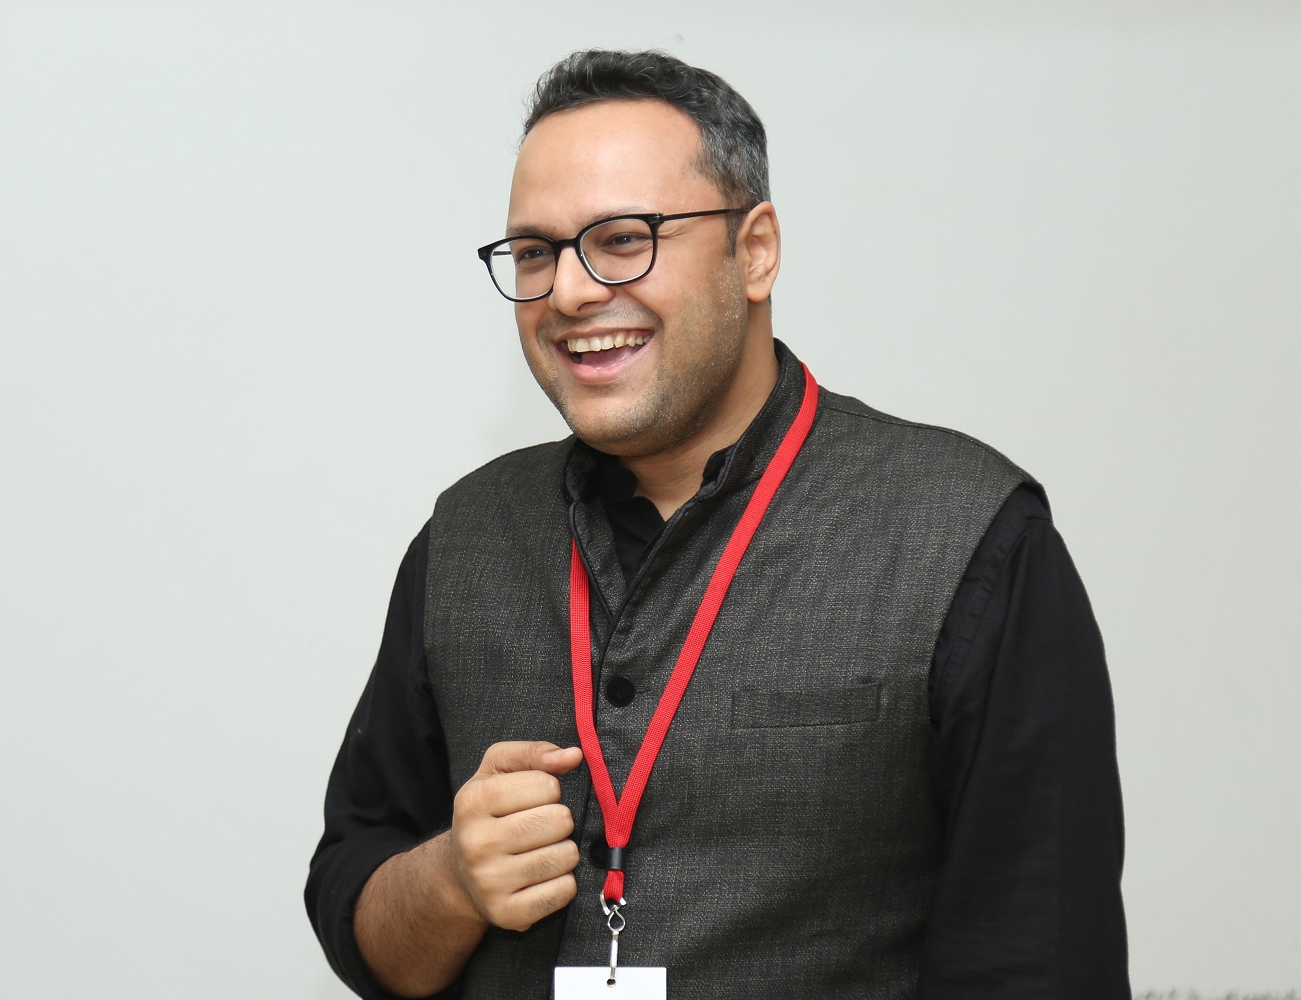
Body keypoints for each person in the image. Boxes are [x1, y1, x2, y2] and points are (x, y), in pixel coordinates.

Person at [306, 49, 1130, 1000]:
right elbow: (355, 903)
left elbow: (1036, 961)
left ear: (755, 251)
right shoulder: (464, 538)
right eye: (535, 252)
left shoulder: (967, 537)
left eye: (623, 238)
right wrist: (450, 881)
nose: (569, 292)